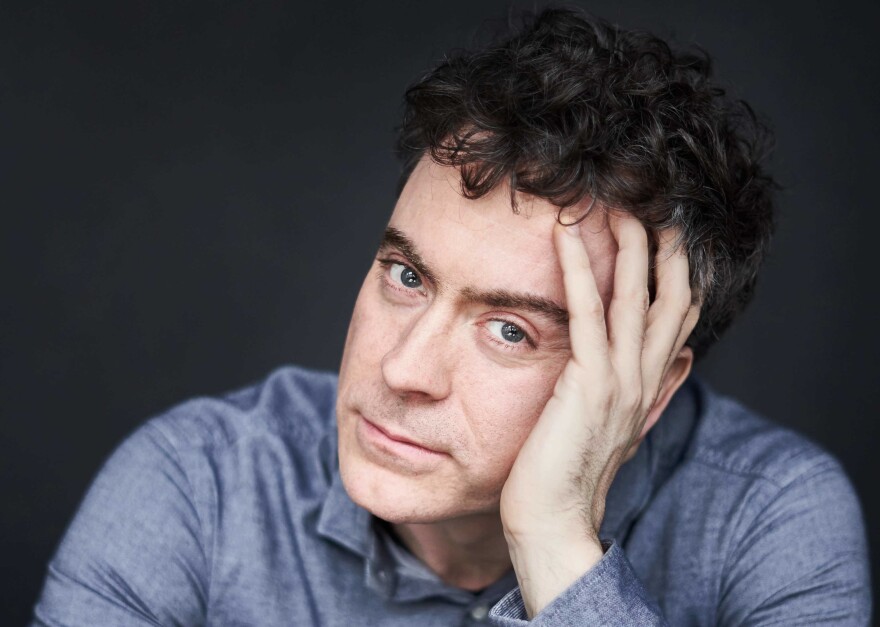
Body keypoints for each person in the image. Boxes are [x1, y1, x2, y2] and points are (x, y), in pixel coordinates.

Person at [31, 8, 871, 626]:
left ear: (649, 386)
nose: (402, 371)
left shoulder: (771, 518)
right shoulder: (197, 484)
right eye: (406, 274)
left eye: (511, 329)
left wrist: (556, 543)